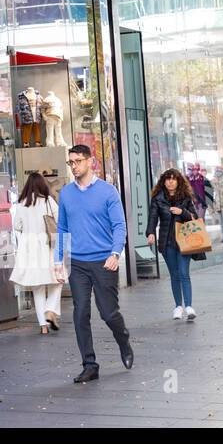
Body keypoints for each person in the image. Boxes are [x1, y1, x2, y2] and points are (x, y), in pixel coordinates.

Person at [54, 144, 133, 382]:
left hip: (104, 261)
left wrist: (115, 253)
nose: (74, 166)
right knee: (80, 314)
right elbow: (62, 228)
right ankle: (90, 364)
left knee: (108, 314)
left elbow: (119, 225)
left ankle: (124, 340)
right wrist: (60, 260)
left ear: (90, 162)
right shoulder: (66, 193)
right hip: (77, 264)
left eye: (78, 161)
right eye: (71, 162)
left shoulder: (108, 192)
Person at [10, 172, 63, 334]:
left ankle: (43, 326)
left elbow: (17, 226)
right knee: (57, 281)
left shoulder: (21, 204)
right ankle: (50, 309)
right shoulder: (48, 202)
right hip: (47, 246)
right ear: (42, 185)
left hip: (29, 249)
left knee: (37, 288)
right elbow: (60, 222)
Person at [146, 169, 200, 320]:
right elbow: (152, 217)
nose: (170, 181)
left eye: (173, 179)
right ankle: (178, 306)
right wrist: (150, 232)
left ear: (178, 181)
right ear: (163, 181)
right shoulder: (158, 198)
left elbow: (194, 217)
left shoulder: (185, 197)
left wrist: (181, 211)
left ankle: (189, 306)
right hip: (167, 242)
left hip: (184, 242)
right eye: (167, 179)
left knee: (184, 273)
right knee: (174, 275)